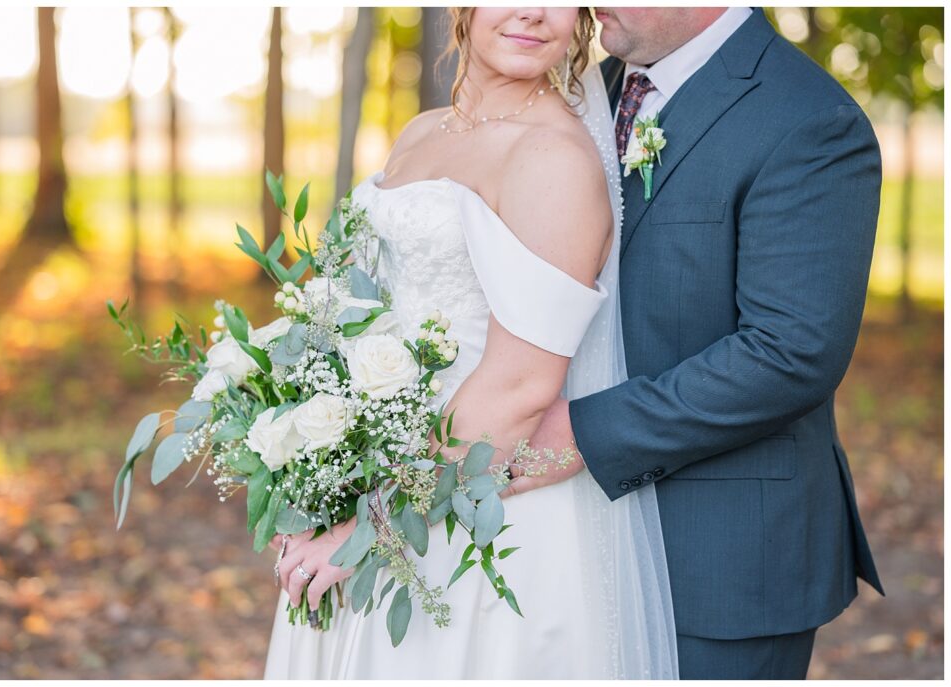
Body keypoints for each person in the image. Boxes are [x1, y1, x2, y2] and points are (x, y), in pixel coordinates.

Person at [263, 7, 677, 679]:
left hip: (477, 511)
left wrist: (372, 522)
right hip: (374, 476)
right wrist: (314, 469)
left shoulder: (555, 158)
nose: (535, 12)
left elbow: (519, 388)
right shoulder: (423, 131)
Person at [505, 7, 884, 680]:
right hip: (568, 547)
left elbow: (788, 353)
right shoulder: (585, 92)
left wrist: (581, 432)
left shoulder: (809, 119)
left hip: (720, 562)